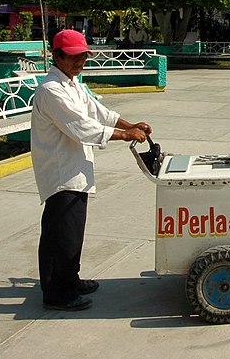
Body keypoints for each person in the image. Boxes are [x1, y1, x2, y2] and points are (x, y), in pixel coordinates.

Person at [31, 29, 153, 311]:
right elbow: (81, 127)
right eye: (73, 57)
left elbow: (98, 112)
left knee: (72, 231)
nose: (79, 62)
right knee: (60, 233)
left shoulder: (72, 84)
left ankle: (70, 279)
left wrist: (130, 124)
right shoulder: (51, 90)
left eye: (83, 56)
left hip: (75, 169)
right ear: (57, 56)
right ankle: (56, 293)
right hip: (61, 172)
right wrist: (125, 136)